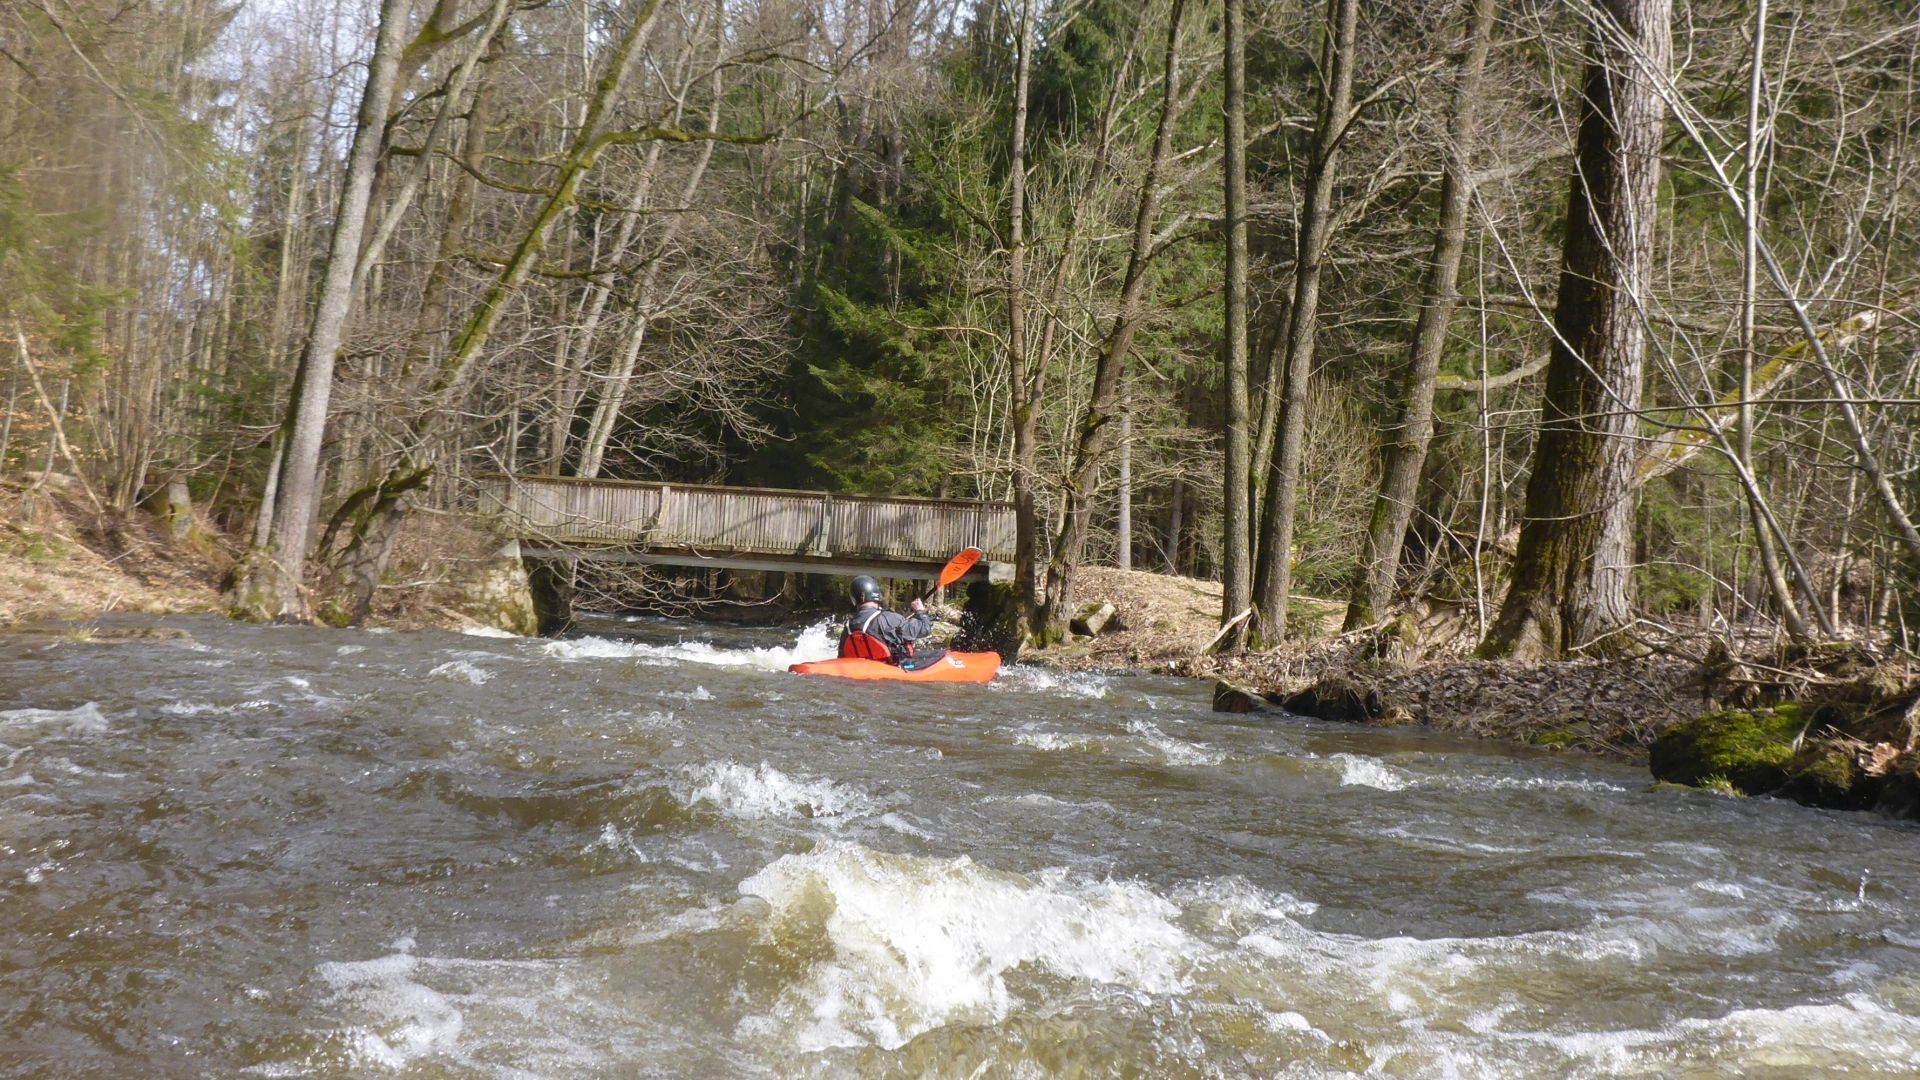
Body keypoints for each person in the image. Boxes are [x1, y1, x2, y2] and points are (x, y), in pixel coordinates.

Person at [839, 575, 943, 667]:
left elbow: (841, 657)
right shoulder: (889, 618)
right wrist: (920, 611)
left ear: (855, 598)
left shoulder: (848, 626)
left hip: (864, 669)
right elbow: (925, 629)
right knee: (941, 654)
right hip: (894, 667)